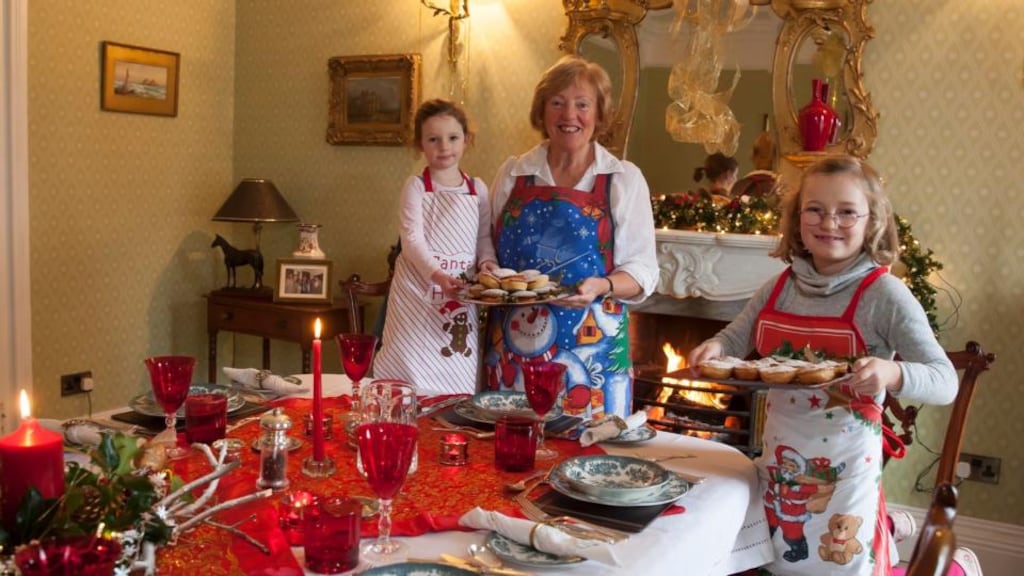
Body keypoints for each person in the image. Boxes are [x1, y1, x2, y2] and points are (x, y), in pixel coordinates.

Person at [687, 156, 958, 575]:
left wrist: (892, 373)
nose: (829, 222)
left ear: (873, 221)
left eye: (847, 212)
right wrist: (712, 346)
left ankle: (912, 544)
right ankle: (887, 528)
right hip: (779, 465)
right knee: (779, 560)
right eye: (815, 209)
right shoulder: (777, 287)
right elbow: (733, 339)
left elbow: (944, 382)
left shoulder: (884, 296)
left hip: (847, 475)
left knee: (835, 561)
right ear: (797, 220)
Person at [484, 55, 659, 419]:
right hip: (512, 351)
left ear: (598, 114)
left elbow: (642, 271)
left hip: (592, 354)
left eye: (582, 104)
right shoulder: (513, 173)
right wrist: (486, 266)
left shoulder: (622, 179)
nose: (569, 115)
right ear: (542, 111)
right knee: (512, 455)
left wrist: (601, 285)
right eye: (558, 103)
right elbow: (485, 241)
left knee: (584, 459)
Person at [373, 98, 498, 395]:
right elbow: (412, 240)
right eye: (433, 139)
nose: (444, 147)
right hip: (416, 292)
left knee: (454, 364)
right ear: (420, 145)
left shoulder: (477, 188)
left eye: (453, 138)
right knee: (407, 365)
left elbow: (483, 238)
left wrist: (487, 263)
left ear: (466, 140)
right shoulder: (416, 186)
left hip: (458, 292)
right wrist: (437, 274)